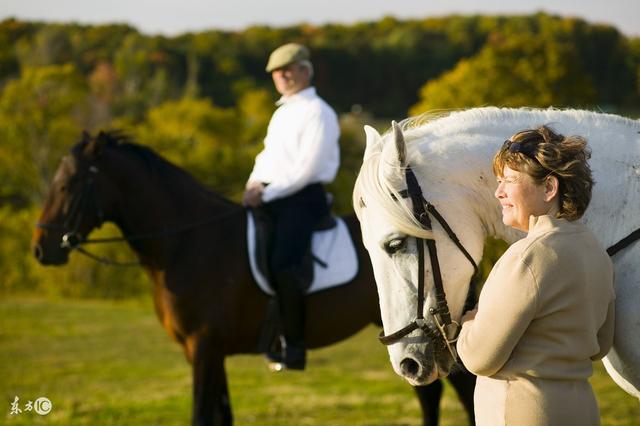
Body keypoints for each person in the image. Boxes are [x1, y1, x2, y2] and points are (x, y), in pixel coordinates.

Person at [457, 126, 615, 425]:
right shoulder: (596, 251)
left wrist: (469, 322)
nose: (498, 191)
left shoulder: (527, 256)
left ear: (549, 188)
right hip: (582, 409)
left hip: (525, 412)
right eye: (499, 181)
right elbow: (601, 344)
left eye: (509, 181)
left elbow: (478, 358)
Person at [242, 43, 340, 370]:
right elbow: (266, 156)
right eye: (275, 72)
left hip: (302, 198)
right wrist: (252, 185)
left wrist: (266, 196)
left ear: (304, 71)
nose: (281, 76)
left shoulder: (319, 112)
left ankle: (293, 347)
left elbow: (306, 170)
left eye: (287, 69)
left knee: (284, 264)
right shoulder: (282, 112)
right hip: (271, 194)